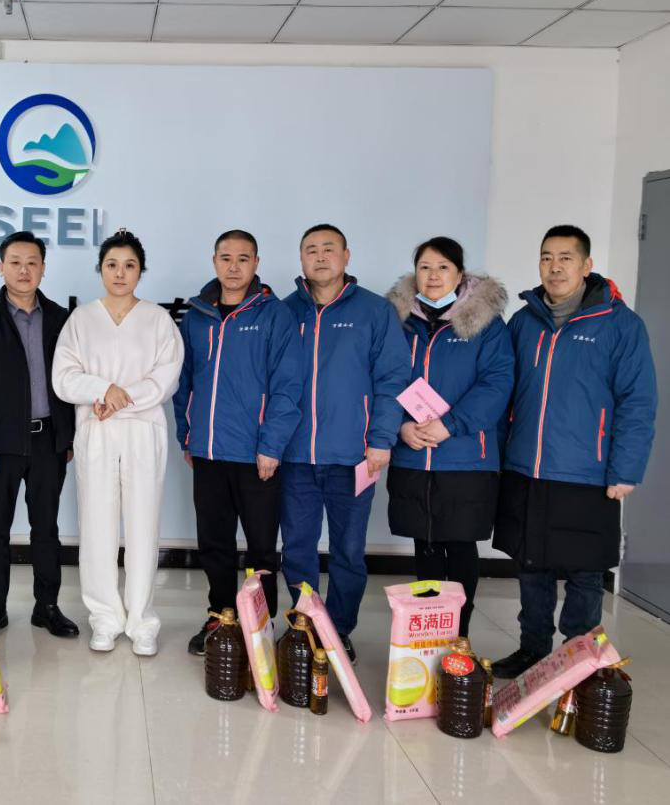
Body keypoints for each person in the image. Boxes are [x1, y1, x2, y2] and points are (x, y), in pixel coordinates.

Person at [492, 225, 657, 679]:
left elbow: (638, 402)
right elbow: (503, 392)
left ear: (587, 266)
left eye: (566, 258)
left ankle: (578, 658)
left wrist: (625, 470)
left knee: (585, 571)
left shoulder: (620, 325)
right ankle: (532, 648)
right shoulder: (524, 322)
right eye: (546, 257)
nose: (555, 267)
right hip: (527, 467)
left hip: (588, 471)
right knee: (532, 566)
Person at [280, 224, 411, 664]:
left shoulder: (375, 311)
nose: (320, 257)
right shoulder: (285, 312)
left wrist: (381, 439)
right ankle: (304, 625)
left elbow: (392, 378)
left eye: (328, 249)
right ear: (301, 258)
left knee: (349, 551)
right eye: (311, 250)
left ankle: (338, 630)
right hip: (295, 457)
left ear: (346, 256)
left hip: (355, 457)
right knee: (297, 548)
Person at [53, 230, 183, 656]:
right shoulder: (81, 319)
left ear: (141, 271)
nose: (120, 273)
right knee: (97, 527)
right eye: (112, 265)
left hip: (143, 430)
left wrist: (119, 398)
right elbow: (63, 377)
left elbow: (166, 377)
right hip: (97, 429)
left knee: (144, 525)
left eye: (129, 265)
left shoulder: (158, 320)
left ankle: (142, 621)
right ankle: (105, 618)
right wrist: (102, 390)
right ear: (101, 269)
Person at [173, 229, 303, 656]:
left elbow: (287, 386)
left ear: (256, 263)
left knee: (261, 546)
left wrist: (272, 445)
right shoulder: (196, 316)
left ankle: (261, 624)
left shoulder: (275, 315)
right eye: (226, 258)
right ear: (214, 261)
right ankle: (221, 616)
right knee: (214, 542)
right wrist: (187, 435)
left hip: (256, 454)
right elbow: (184, 382)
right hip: (208, 451)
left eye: (243, 259)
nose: (233, 267)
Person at [385, 237, 514, 637]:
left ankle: (458, 638)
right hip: (412, 452)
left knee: (459, 545)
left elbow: (497, 383)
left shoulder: (486, 324)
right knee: (424, 545)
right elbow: (383, 378)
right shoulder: (398, 322)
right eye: (425, 267)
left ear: (460, 275)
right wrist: (400, 426)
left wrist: (450, 424)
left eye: (443, 267)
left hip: (465, 457)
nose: (433, 275)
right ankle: (429, 634)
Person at [0, 231, 79, 640]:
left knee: (46, 529)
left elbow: (73, 381)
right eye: (15, 262)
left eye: (32, 262)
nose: (24, 270)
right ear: (1, 267)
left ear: (43, 268)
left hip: (48, 443)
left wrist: (67, 438)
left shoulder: (61, 319)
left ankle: (47, 608)